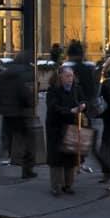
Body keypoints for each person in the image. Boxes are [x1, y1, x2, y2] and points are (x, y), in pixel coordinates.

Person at [0, 50, 38, 179]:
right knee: (29, 141)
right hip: (19, 113)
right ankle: (27, 169)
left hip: (7, 113)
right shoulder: (21, 74)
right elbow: (23, 93)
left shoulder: (4, 73)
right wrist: (30, 102)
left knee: (6, 141)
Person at [45, 65, 86, 196]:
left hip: (72, 126)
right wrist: (69, 111)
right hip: (56, 127)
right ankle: (56, 186)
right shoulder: (53, 90)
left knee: (71, 157)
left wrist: (83, 105)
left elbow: (83, 99)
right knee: (57, 159)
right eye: (68, 76)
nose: (70, 79)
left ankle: (68, 185)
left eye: (72, 76)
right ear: (60, 77)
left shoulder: (76, 88)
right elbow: (53, 107)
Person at [65, 41, 99, 173]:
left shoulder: (69, 69)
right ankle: (80, 162)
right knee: (83, 136)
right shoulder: (88, 68)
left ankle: (75, 164)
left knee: (73, 137)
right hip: (86, 106)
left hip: (75, 106)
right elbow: (93, 89)